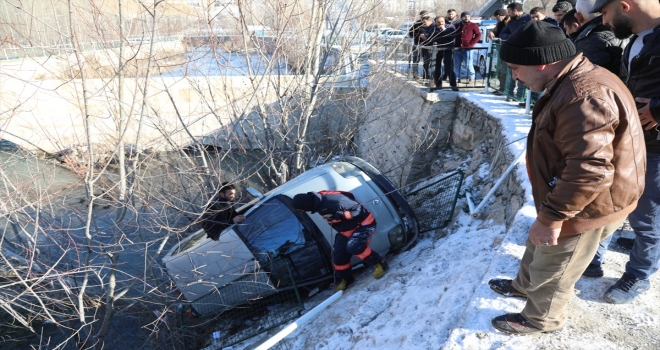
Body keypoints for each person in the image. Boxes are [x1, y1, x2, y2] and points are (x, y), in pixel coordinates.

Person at [489, 20, 645, 334]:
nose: (513, 76)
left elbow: (590, 170)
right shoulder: (573, 80)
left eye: (516, 68)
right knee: (538, 244)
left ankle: (540, 318)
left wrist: (553, 217)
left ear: (542, 61)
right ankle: (523, 285)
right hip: (569, 195)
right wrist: (547, 216)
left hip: (588, 203)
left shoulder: (583, 96)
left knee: (556, 264)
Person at [590, 0, 660, 303]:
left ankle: (638, 275)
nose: (604, 22)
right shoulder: (634, 39)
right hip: (630, 139)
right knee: (610, 201)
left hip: (656, 146)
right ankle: (593, 258)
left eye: (605, 14)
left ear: (624, 6)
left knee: (648, 217)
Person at [291, 191, 388, 292]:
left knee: (354, 246)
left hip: (363, 225)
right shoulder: (318, 204)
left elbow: (358, 210)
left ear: (305, 205)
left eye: (301, 209)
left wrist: (338, 216)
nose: (302, 211)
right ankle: (346, 278)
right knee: (338, 255)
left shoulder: (333, 200)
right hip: (346, 230)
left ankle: (380, 263)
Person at [500, 3, 532, 100]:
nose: (508, 14)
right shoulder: (511, 22)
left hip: (524, 51)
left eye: (509, 12)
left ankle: (520, 96)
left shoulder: (529, 19)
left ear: (515, 10)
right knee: (511, 74)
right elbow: (503, 33)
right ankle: (509, 94)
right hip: (513, 51)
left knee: (522, 74)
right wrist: (512, 37)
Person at [425, 16, 458, 91]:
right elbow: (430, 39)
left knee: (449, 68)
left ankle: (453, 85)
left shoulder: (450, 27)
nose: (440, 23)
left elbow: (452, 37)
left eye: (442, 21)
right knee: (436, 68)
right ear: (435, 22)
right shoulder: (433, 28)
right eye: (438, 22)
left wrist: (444, 30)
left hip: (447, 49)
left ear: (444, 21)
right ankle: (438, 84)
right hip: (437, 50)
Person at [453, 11, 481, 84]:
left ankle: (471, 77)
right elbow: (452, 35)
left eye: (468, 16)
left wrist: (471, 43)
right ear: (461, 17)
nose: (467, 18)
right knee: (457, 64)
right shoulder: (457, 25)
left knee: (468, 64)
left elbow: (478, 35)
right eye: (465, 16)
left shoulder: (473, 25)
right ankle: (457, 77)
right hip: (457, 48)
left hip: (468, 48)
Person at [489, 9, 510, 94]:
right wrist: (492, 32)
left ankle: (505, 90)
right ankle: (502, 88)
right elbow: (495, 30)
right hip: (501, 49)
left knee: (505, 71)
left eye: (498, 17)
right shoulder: (500, 23)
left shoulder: (509, 23)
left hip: (508, 49)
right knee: (501, 70)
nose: (497, 19)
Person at [408, 10, 431, 79]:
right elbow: (410, 33)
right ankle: (415, 74)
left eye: (425, 16)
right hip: (417, 44)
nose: (423, 18)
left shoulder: (431, 23)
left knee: (427, 60)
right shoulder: (417, 24)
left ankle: (426, 74)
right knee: (416, 59)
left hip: (427, 44)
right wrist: (418, 35)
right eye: (422, 16)